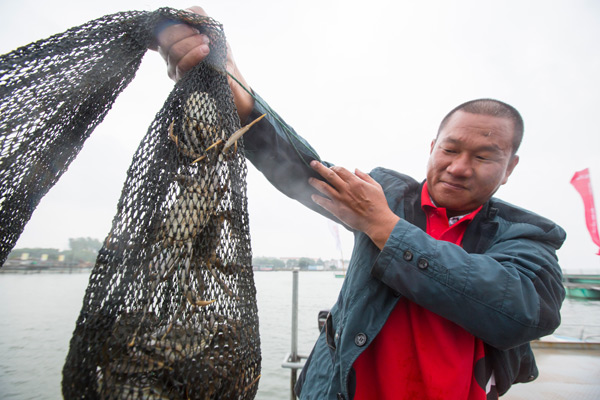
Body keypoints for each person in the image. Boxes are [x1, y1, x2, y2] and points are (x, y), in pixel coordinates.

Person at [152, 7, 566, 400]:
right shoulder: (386, 193)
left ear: (509, 168)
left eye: (483, 157)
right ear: (432, 148)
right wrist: (229, 80)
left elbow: (524, 311)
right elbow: (301, 169)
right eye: (450, 149)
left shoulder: (526, 234)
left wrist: (384, 227)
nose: (458, 167)